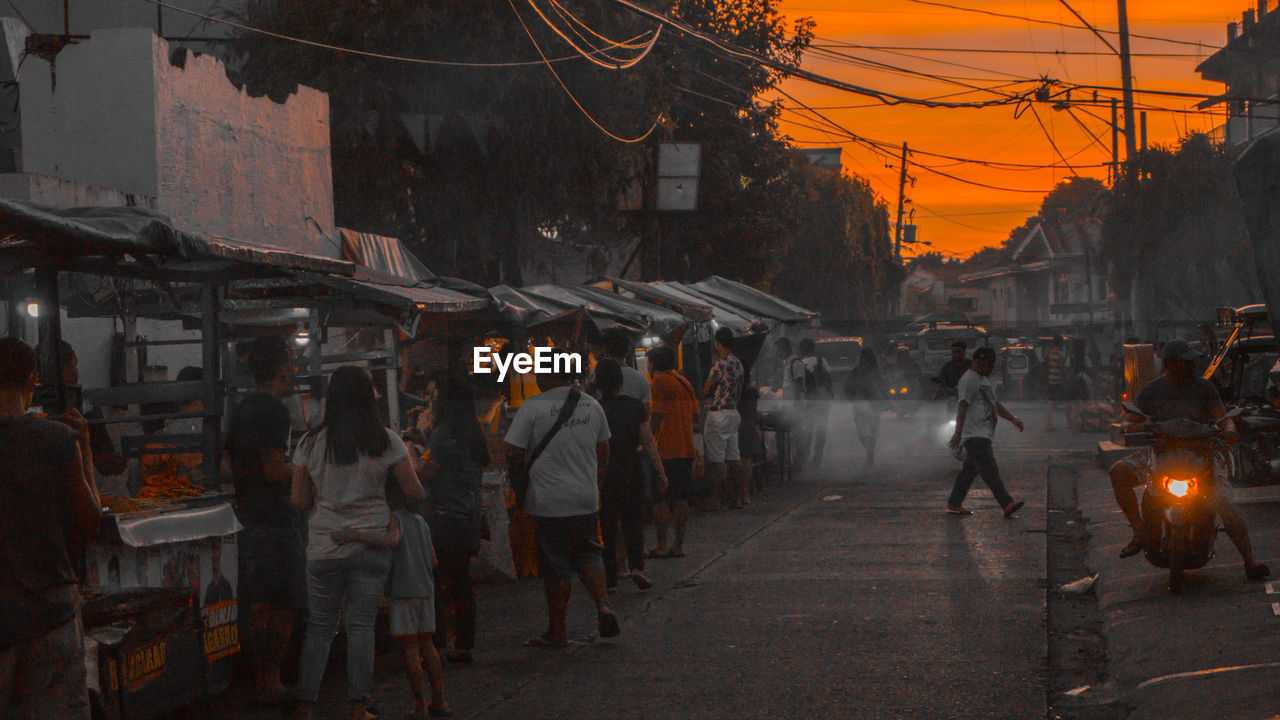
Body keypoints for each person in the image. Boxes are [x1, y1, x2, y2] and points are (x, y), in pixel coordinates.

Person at [289, 366, 426, 720]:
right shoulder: (387, 440)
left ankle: (306, 706)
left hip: (324, 546)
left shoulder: (310, 443)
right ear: (371, 397)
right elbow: (415, 492)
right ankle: (357, 707)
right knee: (361, 626)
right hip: (371, 545)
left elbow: (300, 500)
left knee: (320, 628)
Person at [1109, 340, 1270, 580]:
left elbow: (1222, 416)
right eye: (1186, 362)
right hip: (1160, 455)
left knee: (1226, 505)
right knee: (1118, 471)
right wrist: (1133, 425)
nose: (1192, 365)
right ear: (1170, 364)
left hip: (1201, 456)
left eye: (1192, 361)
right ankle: (1139, 531)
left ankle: (1249, 560)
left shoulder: (1204, 388)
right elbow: (1129, 418)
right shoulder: (1151, 391)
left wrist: (1229, 428)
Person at [0, 337, 101, 720]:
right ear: (33, 379)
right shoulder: (59, 440)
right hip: (52, 616)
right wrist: (85, 448)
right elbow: (90, 521)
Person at [504, 355, 618, 647]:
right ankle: (604, 606)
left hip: (548, 500)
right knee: (588, 552)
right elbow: (604, 451)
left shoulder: (533, 406)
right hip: (585, 496)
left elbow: (513, 452)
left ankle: (558, 630)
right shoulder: (593, 405)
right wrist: (596, 483)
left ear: (549, 375)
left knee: (555, 565)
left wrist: (520, 486)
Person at [223, 336, 304, 705]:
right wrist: (303, 469)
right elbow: (273, 471)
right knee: (281, 601)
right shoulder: (275, 412)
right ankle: (270, 681)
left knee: (257, 601)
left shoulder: (239, 408)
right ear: (280, 369)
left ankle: (257, 678)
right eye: (291, 364)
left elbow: (227, 463)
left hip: (247, 516)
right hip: (273, 519)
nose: (295, 371)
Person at [419, 377, 488, 666]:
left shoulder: (443, 433)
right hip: (468, 519)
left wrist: (412, 453)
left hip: (443, 520)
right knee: (462, 583)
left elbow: (426, 471)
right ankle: (463, 645)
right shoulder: (475, 432)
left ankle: (437, 644)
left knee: (436, 584)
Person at [372, 481, 452, 719]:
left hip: (403, 591)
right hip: (425, 590)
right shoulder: (421, 522)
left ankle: (420, 705)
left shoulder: (393, 520)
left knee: (409, 648)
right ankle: (440, 699)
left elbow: (388, 550)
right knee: (428, 645)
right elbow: (434, 561)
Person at [596, 359, 667, 594]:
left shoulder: (594, 407)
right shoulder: (635, 406)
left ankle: (610, 578)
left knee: (607, 525)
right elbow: (648, 441)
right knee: (632, 521)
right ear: (620, 381)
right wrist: (660, 471)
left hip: (604, 474)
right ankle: (637, 567)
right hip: (631, 470)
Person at [946, 347, 1026, 517]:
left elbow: (995, 405)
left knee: (969, 471)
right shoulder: (968, 380)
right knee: (990, 469)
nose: (991, 370)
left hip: (983, 433)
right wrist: (958, 432)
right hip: (975, 435)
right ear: (979, 362)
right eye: (990, 365)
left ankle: (954, 503)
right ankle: (1006, 503)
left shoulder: (982, 380)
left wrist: (1012, 419)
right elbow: (962, 406)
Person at [647, 345, 698, 559]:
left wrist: (646, 441)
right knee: (680, 498)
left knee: (661, 499)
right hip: (686, 448)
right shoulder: (684, 382)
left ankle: (661, 545)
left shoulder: (658, 383)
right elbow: (695, 416)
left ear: (653, 364)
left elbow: (656, 416)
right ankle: (678, 545)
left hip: (665, 450)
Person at [701, 328, 745, 511]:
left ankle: (714, 501)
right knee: (733, 457)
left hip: (718, 414)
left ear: (718, 343)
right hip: (733, 412)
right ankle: (736, 499)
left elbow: (707, 388)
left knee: (716, 459)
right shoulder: (738, 363)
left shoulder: (720, 363)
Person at [844, 347, 887, 467]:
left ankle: (869, 452)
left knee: (861, 431)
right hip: (875, 403)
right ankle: (871, 454)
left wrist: (851, 397)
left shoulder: (856, 371)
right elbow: (884, 386)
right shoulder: (877, 371)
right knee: (874, 430)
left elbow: (847, 387)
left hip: (859, 403)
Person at [798, 338, 833, 466]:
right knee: (821, 427)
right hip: (823, 399)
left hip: (808, 400)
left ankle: (805, 454)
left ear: (801, 351)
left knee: (808, 427)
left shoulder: (800, 364)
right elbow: (829, 380)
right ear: (814, 349)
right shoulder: (822, 361)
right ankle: (818, 456)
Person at [596, 327, 651, 406]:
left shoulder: (594, 376)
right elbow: (646, 413)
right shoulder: (641, 380)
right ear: (628, 350)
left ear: (604, 349)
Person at [1045, 336, 1067, 431]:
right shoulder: (1061, 354)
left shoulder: (1050, 353)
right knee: (1067, 400)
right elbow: (1062, 368)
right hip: (1058, 380)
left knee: (1050, 402)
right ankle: (1068, 422)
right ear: (1061, 344)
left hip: (1050, 380)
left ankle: (1049, 424)